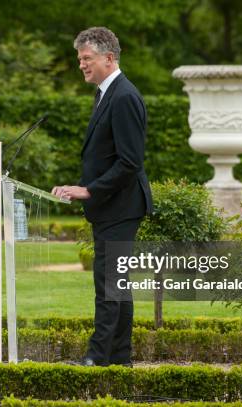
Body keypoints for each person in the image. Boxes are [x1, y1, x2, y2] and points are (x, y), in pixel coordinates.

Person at [51, 27, 153, 367]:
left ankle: (98, 357)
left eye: (86, 58)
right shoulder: (105, 93)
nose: (81, 65)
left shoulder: (124, 96)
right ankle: (119, 356)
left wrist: (89, 189)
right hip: (112, 207)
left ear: (109, 58)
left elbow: (130, 162)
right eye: (80, 59)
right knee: (117, 286)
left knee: (109, 284)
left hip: (120, 208)